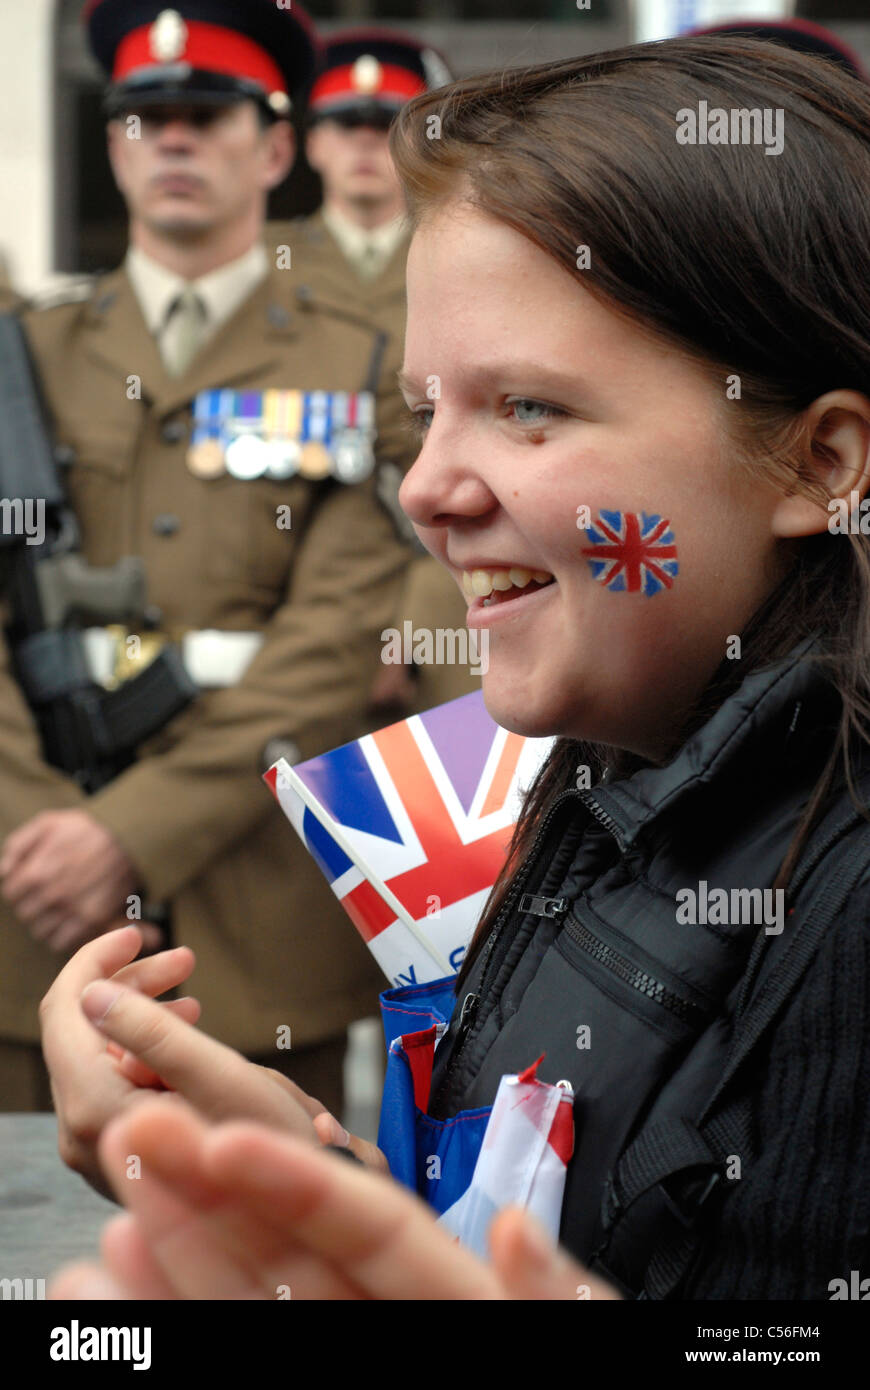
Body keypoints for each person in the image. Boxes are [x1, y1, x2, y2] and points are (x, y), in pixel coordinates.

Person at [43, 32, 870, 1299]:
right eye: (430, 410)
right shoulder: (610, 771)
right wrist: (302, 1182)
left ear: (821, 464)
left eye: (531, 406)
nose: (426, 490)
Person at [0, 0, 420, 1117]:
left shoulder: (358, 363)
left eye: (208, 114)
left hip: (260, 931)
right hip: (34, 912)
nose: (173, 139)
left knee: (278, 1261)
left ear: (277, 148)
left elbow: (336, 636)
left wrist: (127, 833)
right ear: (111, 145)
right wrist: (46, 833)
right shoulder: (26, 361)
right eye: (146, 116)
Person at [271, 27, 476, 711]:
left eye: (384, 124)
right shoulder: (258, 267)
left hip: (447, 584)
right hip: (286, 580)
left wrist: (411, 617)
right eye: (343, 124)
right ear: (311, 142)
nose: (364, 143)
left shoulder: (476, 263)